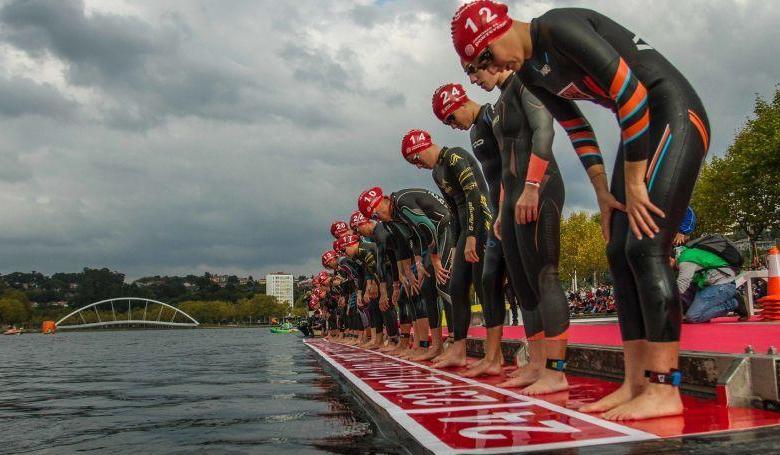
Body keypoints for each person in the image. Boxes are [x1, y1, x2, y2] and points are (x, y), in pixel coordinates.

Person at [451, 1, 710, 419]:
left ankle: (665, 388)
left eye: (488, 62)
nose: (493, 70)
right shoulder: (531, 73)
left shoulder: (559, 27)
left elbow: (631, 91)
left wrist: (631, 180)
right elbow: (577, 127)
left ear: (495, 37)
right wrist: (603, 193)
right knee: (617, 254)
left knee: (645, 248)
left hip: (674, 114)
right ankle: (636, 383)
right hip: (638, 125)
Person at [359, 186, 453, 361]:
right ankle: (436, 345)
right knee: (426, 288)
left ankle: (452, 343)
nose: (377, 219)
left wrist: (433, 258)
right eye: (373, 218)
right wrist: (416, 263)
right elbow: (414, 236)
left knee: (443, 283)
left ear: (380, 203)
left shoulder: (401, 202)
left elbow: (428, 227)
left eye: (375, 215)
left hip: (446, 229)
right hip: (433, 239)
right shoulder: (395, 213)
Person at [351, 211, 415, 354]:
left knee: (401, 301)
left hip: (409, 259)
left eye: (357, 229)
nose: (358, 233)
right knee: (399, 300)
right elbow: (392, 256)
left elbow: (382, 262)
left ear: (365, 223)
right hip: (400, 264)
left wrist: (387, 287)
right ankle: (401, 341)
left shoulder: (377, 234)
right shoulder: (377, 234)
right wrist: (397, 282)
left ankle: (404, 341)